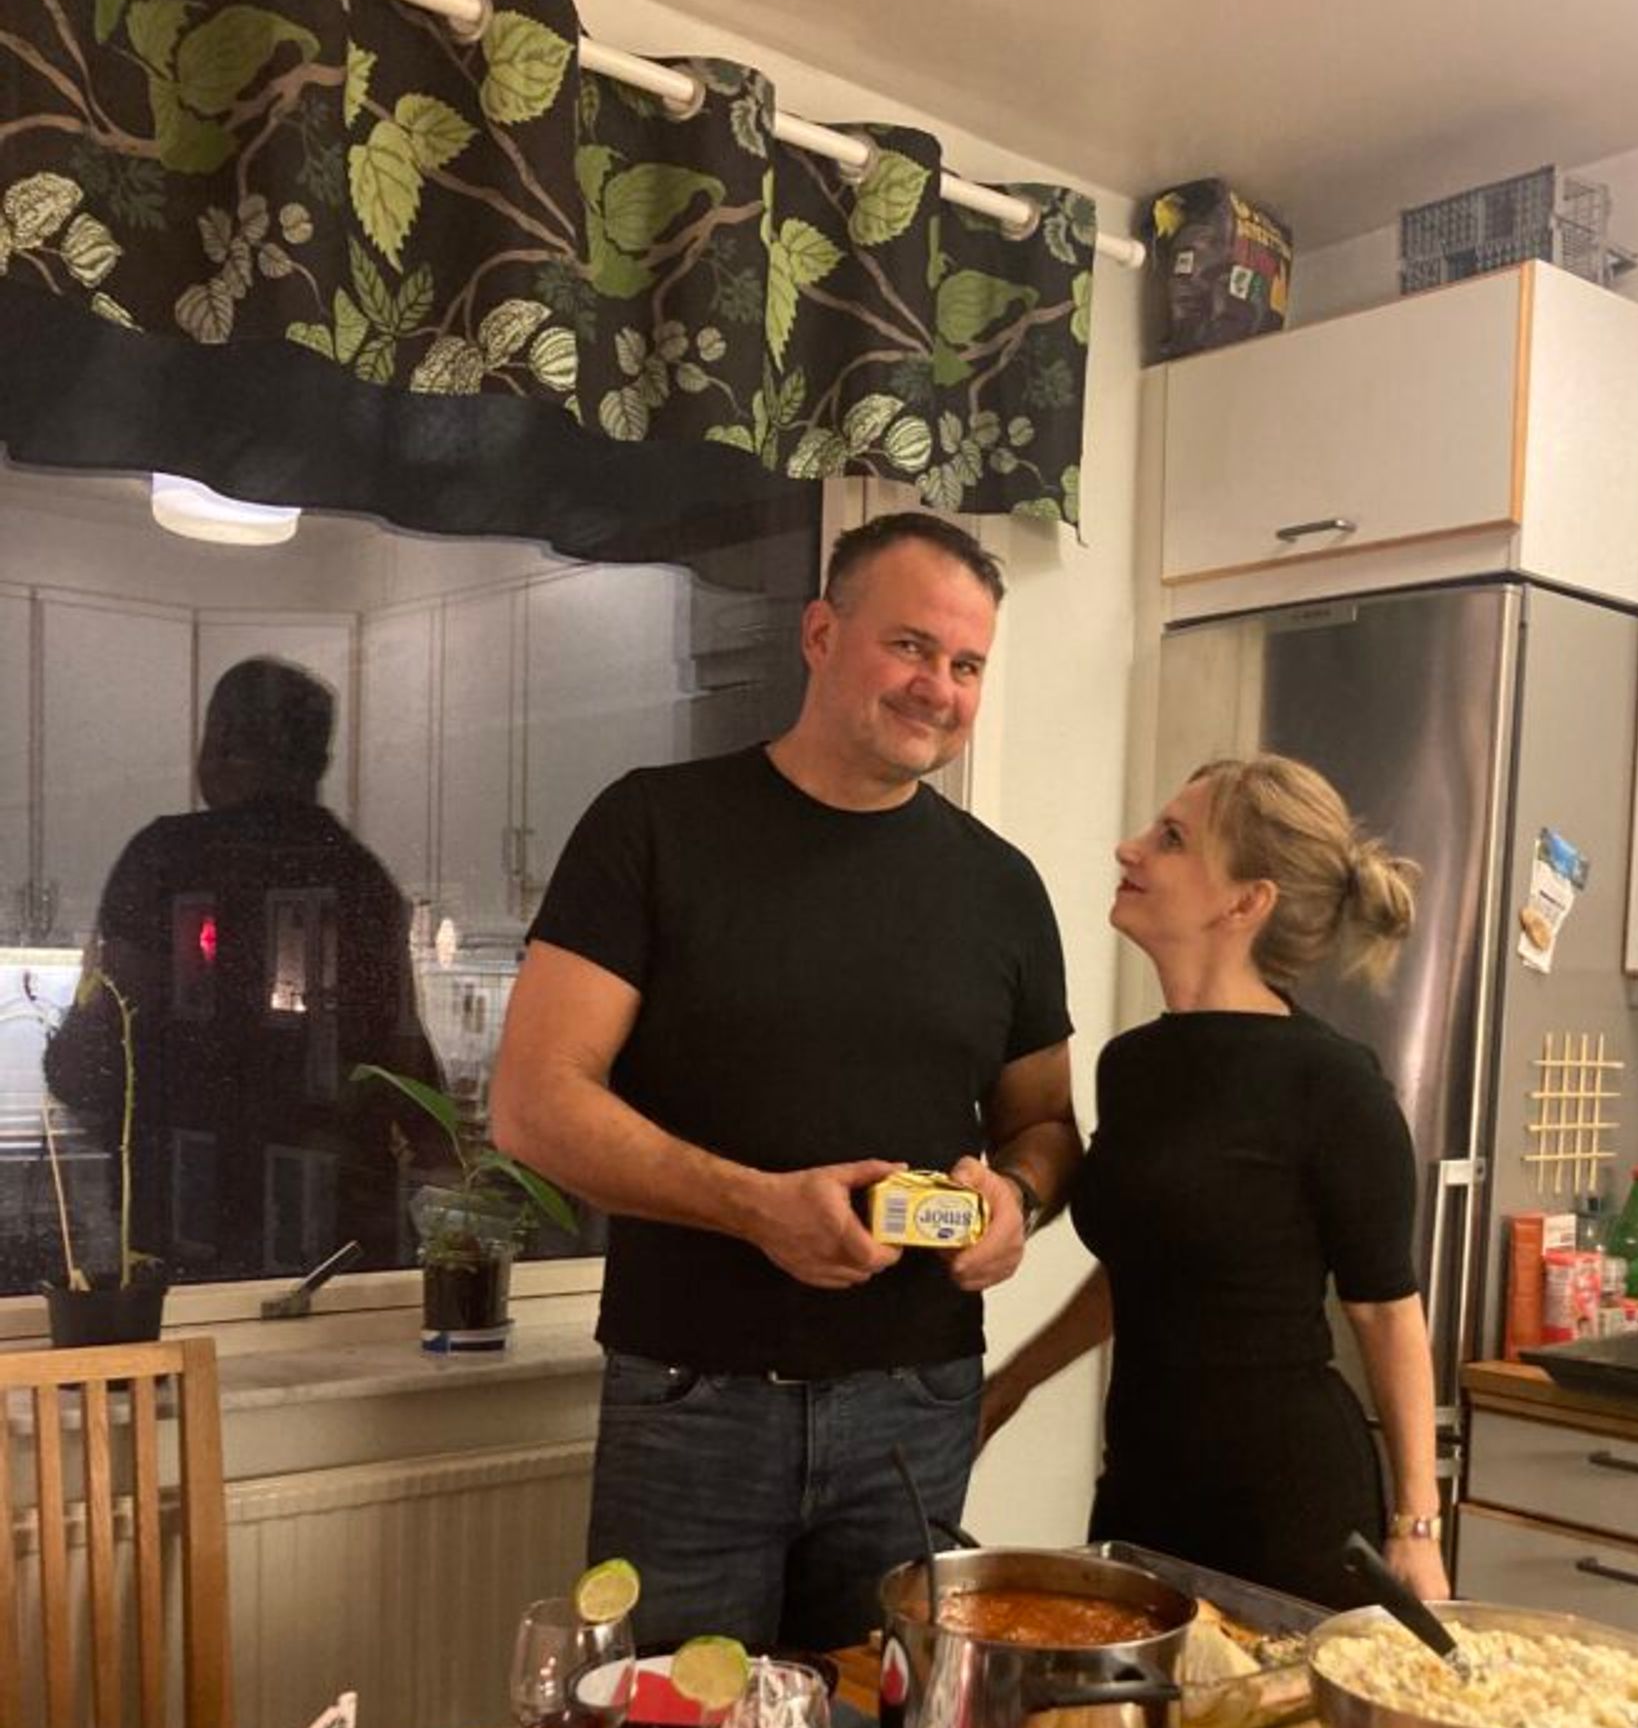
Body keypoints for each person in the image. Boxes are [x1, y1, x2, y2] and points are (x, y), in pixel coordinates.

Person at [979, 750, 1449, 1728]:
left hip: (1293, 1515)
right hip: (1145, 1504)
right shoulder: (1142, 1064)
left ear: (1243, 899)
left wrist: (1417, 1526)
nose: (1130, 847)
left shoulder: (1334, 1088)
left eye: (1166, 839)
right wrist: (1012, 1388)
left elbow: (1387, 1317)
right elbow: (1149, 1262)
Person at [490, 511, 1080, 1652]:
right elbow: (534, 1102)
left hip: (918, 1405)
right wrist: (754, 1206)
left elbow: (1047, 1123)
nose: (939, 688)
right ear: (819, 632)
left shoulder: (1002, 889)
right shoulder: (654, 825)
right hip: (692, 1397)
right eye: (910, 647)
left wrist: (1019, 1202)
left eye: (966, 665)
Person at [44, 656, 437, 1282]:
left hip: (186, 1243)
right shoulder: (363, 878)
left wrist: (69, 1062)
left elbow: (94, 1057)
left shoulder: (165, 858)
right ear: (319, 762)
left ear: (223, 746)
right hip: (340, 1258)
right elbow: (409, 1068)